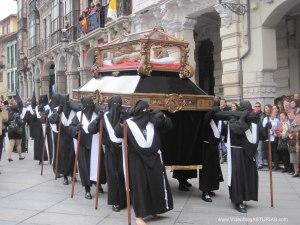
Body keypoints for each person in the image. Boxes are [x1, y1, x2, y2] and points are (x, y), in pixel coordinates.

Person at [115, 100, 173, 225]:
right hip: (137, 160)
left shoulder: (153, 121)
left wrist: (161, 116)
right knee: (140, 186)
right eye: (145, 110)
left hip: (154, 158)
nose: (146, 112)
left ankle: (155, 209)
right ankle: (139, 216)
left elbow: (168, 126)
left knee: (155, 183)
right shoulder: (129, 123)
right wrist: (120, 121)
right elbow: (118, 134)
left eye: (148, 109)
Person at [88, 95, 126, 212]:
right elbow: (91, 129)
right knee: (113, 176)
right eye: (114, 104)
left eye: (118, 104)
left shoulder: (123, 115)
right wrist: (96, 119)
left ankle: (125, 199)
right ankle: (115, 201)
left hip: (123, 150)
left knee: (123, 174)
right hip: (110, 151)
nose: (116, 107)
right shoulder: (103, 117)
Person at [69, 96, 106, 199]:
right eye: (87, 105)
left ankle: (97, 183)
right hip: (83, 145)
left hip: (96, 143)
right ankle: (87, 189)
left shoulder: (96, 114)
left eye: (91, 104)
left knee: (98, 165)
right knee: (85, 167)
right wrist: (76, 128)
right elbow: (71, 128)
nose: (89, 107)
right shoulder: (78, 115)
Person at [225, 101, 259, 213]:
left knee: (247, 177)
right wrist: (242, 118)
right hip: (237, 153)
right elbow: (237, 129)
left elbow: (258, 135)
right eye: (247, 110)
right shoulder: (233, 119)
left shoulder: (252, 120)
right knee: (238, 177)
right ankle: (237, 201)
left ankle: (245, 197)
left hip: (248, 153)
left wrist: (265, 128)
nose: (249, 112)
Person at [49, 95, 76, 185]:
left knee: (72, 155)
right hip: (62, 137)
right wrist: (57, 113)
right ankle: (65, 175)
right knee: (63, 156)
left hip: (72, 137)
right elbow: (51, 120)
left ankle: (72, 173)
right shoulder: (58, 111)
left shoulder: (73, 111)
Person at [199, 106, 224, 202]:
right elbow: (205, 120)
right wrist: (212, 110)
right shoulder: (208, 119)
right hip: (207, 147)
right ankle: (204, 192)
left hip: (215, 147)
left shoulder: (219, 121)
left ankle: (210, 188)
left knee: (214, 169)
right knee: (206, 170)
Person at [288, 112, 300, 177]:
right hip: (292, 144)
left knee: (298, 158)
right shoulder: (292, 124)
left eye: (299, 117)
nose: (297, 118)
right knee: (293, 158)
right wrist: (289, 135)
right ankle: (296, 171)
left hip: (298, 143)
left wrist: (293, 135)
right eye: (297, 117)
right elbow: (288, 131)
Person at [253, 102, 265, 169]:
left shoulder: (262, 115)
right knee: (255, 149)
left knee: (259, 149)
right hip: (254, 134)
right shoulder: (252, 114)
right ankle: (256, 162)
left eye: (258, 106)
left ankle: (260, 163)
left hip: (260, 134)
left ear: (260, 107)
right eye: (256, 106)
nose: (257, 107)